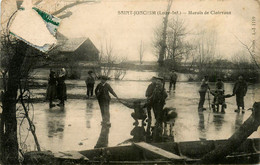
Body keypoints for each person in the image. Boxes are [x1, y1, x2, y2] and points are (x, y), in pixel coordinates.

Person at [150, 77, 168, 142]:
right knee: (155, 113)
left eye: (159, 82)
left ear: (161, 83)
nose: (157, 82)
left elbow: (166, 95)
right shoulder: (156, 88)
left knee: (159, 114)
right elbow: (153, 95)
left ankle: (159, 125)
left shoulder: (162, 89)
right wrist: (150, 99)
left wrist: (162, 98)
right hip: (154, 103)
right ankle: (158, 124)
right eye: (157, 81)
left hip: (160, 104)